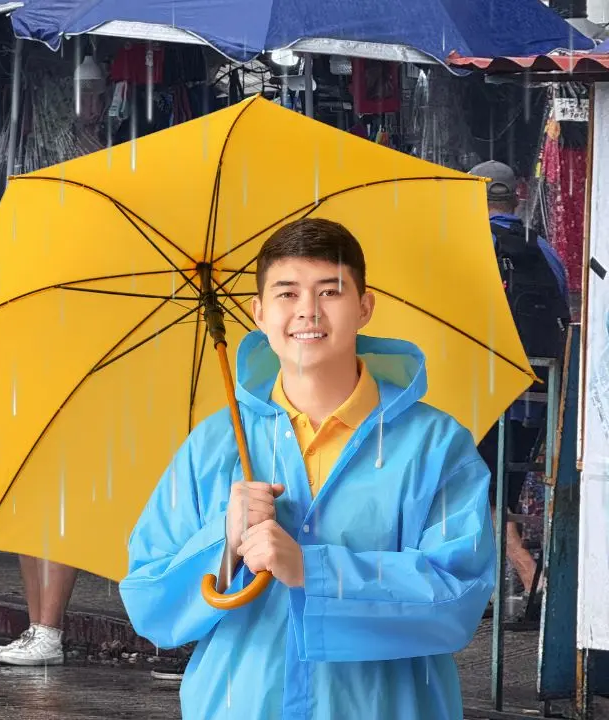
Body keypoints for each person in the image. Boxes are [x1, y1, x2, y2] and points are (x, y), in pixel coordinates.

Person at [120, 218, 495, 719]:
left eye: (330, 291)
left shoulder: (436, 446)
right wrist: (224, 544)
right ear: (257, 312)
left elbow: (458, 598)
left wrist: (312, 572)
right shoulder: (214, 445)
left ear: (364, 307)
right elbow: (150, 602)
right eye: (287, 293)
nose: (307, 312)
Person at [469, 160, 571, 601]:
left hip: (489, 394)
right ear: (516, 195)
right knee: (499, 490)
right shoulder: (545, 251)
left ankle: (531, 577)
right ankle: (504, 586)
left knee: (476, 493)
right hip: (536, 396)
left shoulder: (472, 245)